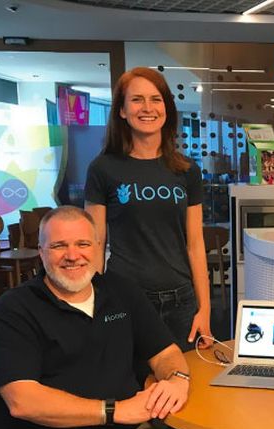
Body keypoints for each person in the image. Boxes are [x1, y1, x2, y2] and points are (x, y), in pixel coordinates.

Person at [0, 206, 215, 429]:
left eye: (83, 244)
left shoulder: (122, 291)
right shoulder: (13, 310)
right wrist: (114, 410)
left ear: (98, 248)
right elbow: (23, 401)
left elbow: (165, 352)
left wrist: (177, 379)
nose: (72, 255)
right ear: (41, 252)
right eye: (59, 246)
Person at [85, 67, 211, 352]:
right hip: (126, 298)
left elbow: (195, 245)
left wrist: (204, 309)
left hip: (181, 301)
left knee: (184, 377)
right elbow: (95, 243)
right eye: (136, 100)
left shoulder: (187, 170)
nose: (147, 108)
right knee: (128, 376)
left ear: (166, 108)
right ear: (121, 110)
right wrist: (94, 303)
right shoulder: (103, 169)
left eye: (156, 99)